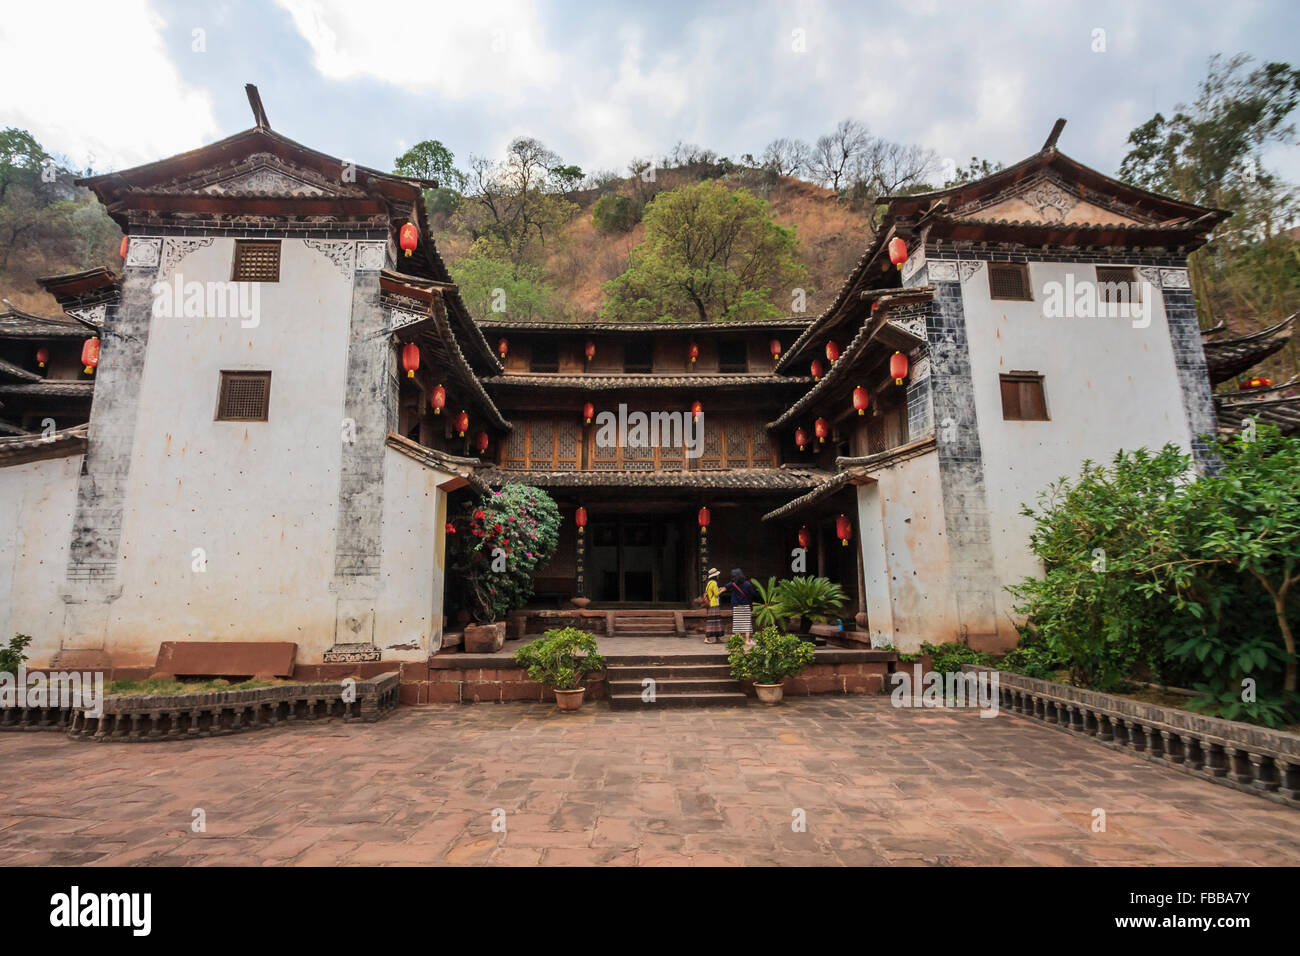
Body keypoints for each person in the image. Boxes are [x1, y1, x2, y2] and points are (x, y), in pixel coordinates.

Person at [725, 568, 758, 647]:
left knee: (738, 623)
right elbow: (753, 594)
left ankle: (739, 640)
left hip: (736, 606)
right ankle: (747, 640)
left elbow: (725, 588)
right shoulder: (747, 584)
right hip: (745, 606)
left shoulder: (732, 584)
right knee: (747, 623)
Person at [703, 567, 723, 643]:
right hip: (714, 604)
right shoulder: (714, 583)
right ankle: (707, 638)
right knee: (714, 621)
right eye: (717, 575)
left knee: (713, 621)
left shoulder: (708, 583)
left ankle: (717, 638)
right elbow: (716, 594)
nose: (718, 576)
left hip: (710, 603)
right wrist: (721, 590)